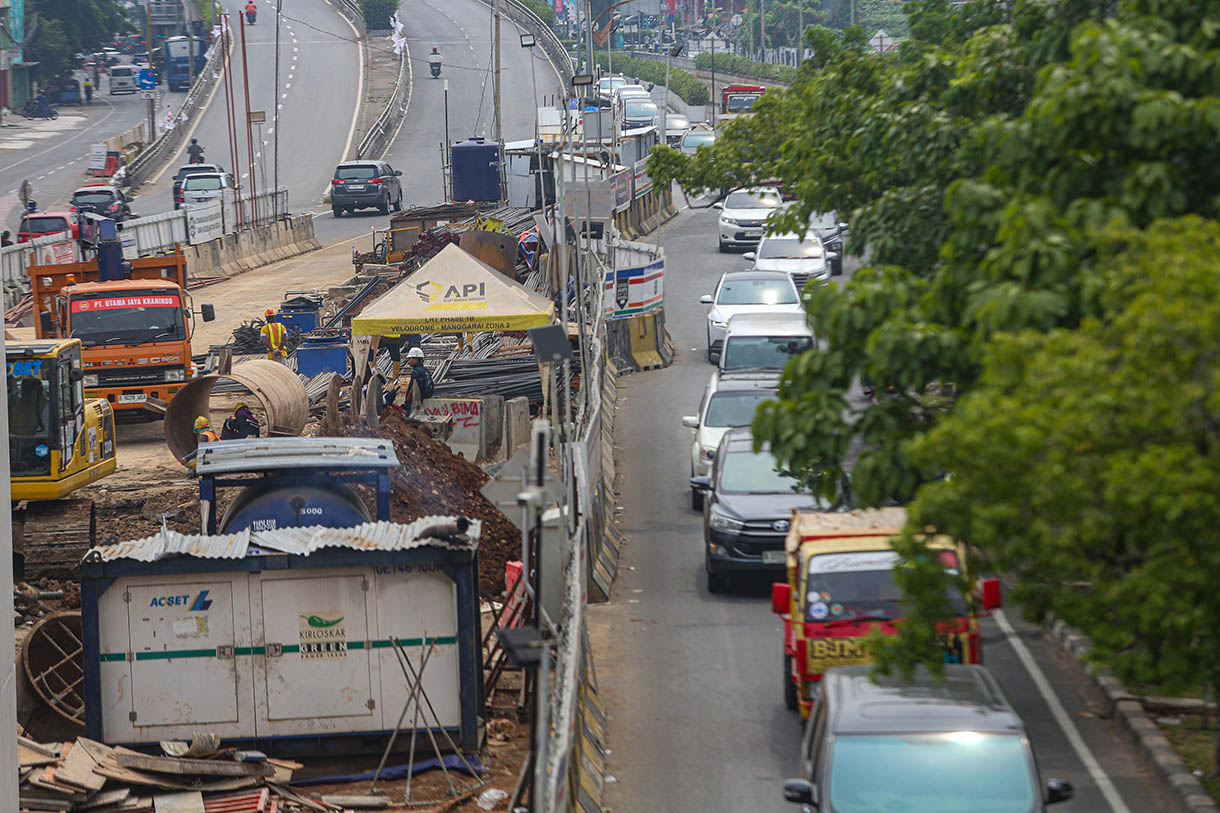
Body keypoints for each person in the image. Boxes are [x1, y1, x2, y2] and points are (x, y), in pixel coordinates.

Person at [399, 346, 434, 413]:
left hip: (416, 402)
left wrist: (407, 401)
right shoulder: (425, 370)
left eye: (409, 359)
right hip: (425, 398)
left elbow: (413, 388)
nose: (408, 362)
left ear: (416, 359)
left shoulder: (416, 372)